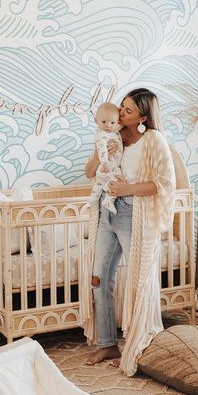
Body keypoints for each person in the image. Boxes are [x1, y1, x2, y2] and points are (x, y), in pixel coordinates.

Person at [81, 88, 176, 375]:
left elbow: (164, 183)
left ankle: (137, 343)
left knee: (137, 281)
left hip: (134, 213)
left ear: (143, 117)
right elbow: (90, 171)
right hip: (107, 211)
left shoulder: (153, 141)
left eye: (128, 111)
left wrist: (128, 189)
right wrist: (103, 154)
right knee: (99, 278)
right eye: (121, 107)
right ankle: (109, 343)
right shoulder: (113, 137)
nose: (120, 114)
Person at [88, 102, 124, 214]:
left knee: (100, 182)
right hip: (109, 166)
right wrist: (104, 163)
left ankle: (93, 198)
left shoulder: (112, 132)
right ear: (96, 121)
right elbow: (101, 149)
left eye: (112, 122)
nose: (108, 125)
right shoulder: (101, 135)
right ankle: (109, 200)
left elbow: (117, 129)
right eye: (104, 122)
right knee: (117, 179)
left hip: (106, 167)